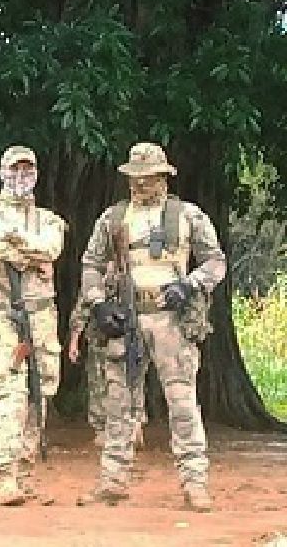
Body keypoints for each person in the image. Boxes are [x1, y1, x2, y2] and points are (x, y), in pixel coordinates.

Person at [76, 142, 226, 512]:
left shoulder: (187, 215)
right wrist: (98, 304)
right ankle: (113, 481)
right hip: (126, 317)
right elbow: (91, 263)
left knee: (181, 400)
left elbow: (215, 262)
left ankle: (195, 482)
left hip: (171, 319)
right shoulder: (113, 219)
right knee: (118, 402)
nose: (141, 185)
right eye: (134, 179)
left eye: (148, 178)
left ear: (164, 177)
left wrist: (188, 286)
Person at [0, 145, 66, 506]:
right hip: (6, 315)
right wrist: (27, 254)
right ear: (2, 172)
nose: (21, 177)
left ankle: (24, 471)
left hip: (42, 315)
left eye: (28, 170)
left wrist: (18, 244)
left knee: (41, 392)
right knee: (11, 390)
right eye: (15, 170)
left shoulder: (49, 219)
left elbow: (51, 249)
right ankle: (3, 474)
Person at [67, 284, 147, 448]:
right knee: (99, 382)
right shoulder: (97, 273)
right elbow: (83, 306)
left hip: (132, 335)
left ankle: (134, 424)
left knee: (134, 379)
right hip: (101, 337)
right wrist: (74, 341)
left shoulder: (138, 270)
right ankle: (103, 429)